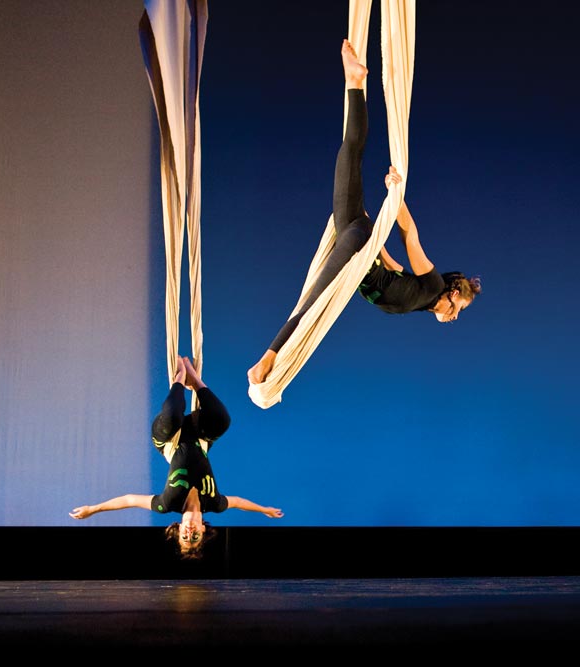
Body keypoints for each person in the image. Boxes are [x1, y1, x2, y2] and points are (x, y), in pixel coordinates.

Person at [247, 39, 482, 386]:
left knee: (349, 153)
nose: (454, 317)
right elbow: (410, 237)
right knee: (314, 299)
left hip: (361, 237)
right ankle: (267, 359)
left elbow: (390, 264)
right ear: (453, 294)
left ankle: (355, 82)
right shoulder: (431, 285)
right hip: (358, 246)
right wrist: (395, 196)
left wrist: (375, 232)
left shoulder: (418, 298)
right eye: (458, 310)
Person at [71, 356, 283, 559]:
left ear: (179, 529)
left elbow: (129, 500)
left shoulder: (166, 503)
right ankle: (195, 380)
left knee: (172, 417)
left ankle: (180, 378)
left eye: (185, 537)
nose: (190, 533)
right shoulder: (214, 503)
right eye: (195, 537)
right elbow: (238, 502)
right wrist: (264, 510)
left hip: (168, 439)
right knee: (222, 420)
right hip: (200, 435)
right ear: (203, 529)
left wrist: (93, 509)